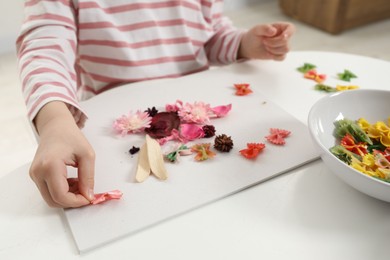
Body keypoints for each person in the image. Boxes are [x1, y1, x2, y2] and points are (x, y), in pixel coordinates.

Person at [16, 0, 295, 208]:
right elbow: (45, 49)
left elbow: (211, 38)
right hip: (117, 135)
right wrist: (54, 121)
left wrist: (244, 43)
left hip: (197, 127)